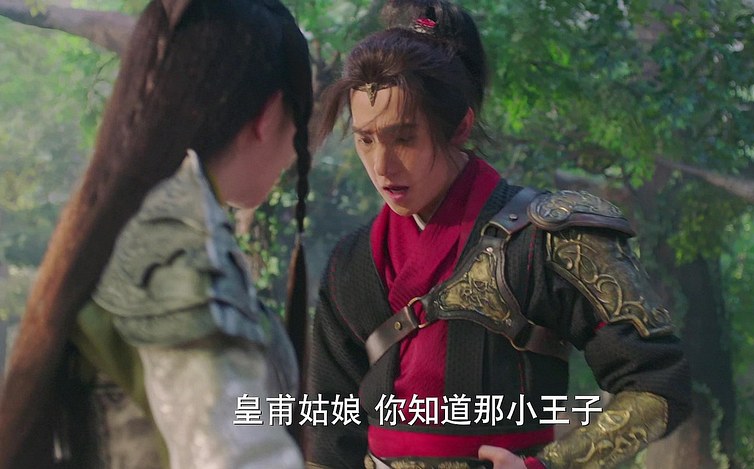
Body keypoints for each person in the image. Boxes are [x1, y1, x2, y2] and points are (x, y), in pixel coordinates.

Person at [304, 1, 692, 468]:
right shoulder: (352, 261)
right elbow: (328, 431)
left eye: (404, 138)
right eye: (366, 139)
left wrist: (550, 466)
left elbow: (658, 384)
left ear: (460, 126)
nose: (381, 166)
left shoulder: (550, 239)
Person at [0, 1, 312, 468]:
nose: (295, 151)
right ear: (268, 116)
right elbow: (231, 453)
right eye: (300, 122)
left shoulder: (130, 221)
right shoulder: (176, 244)